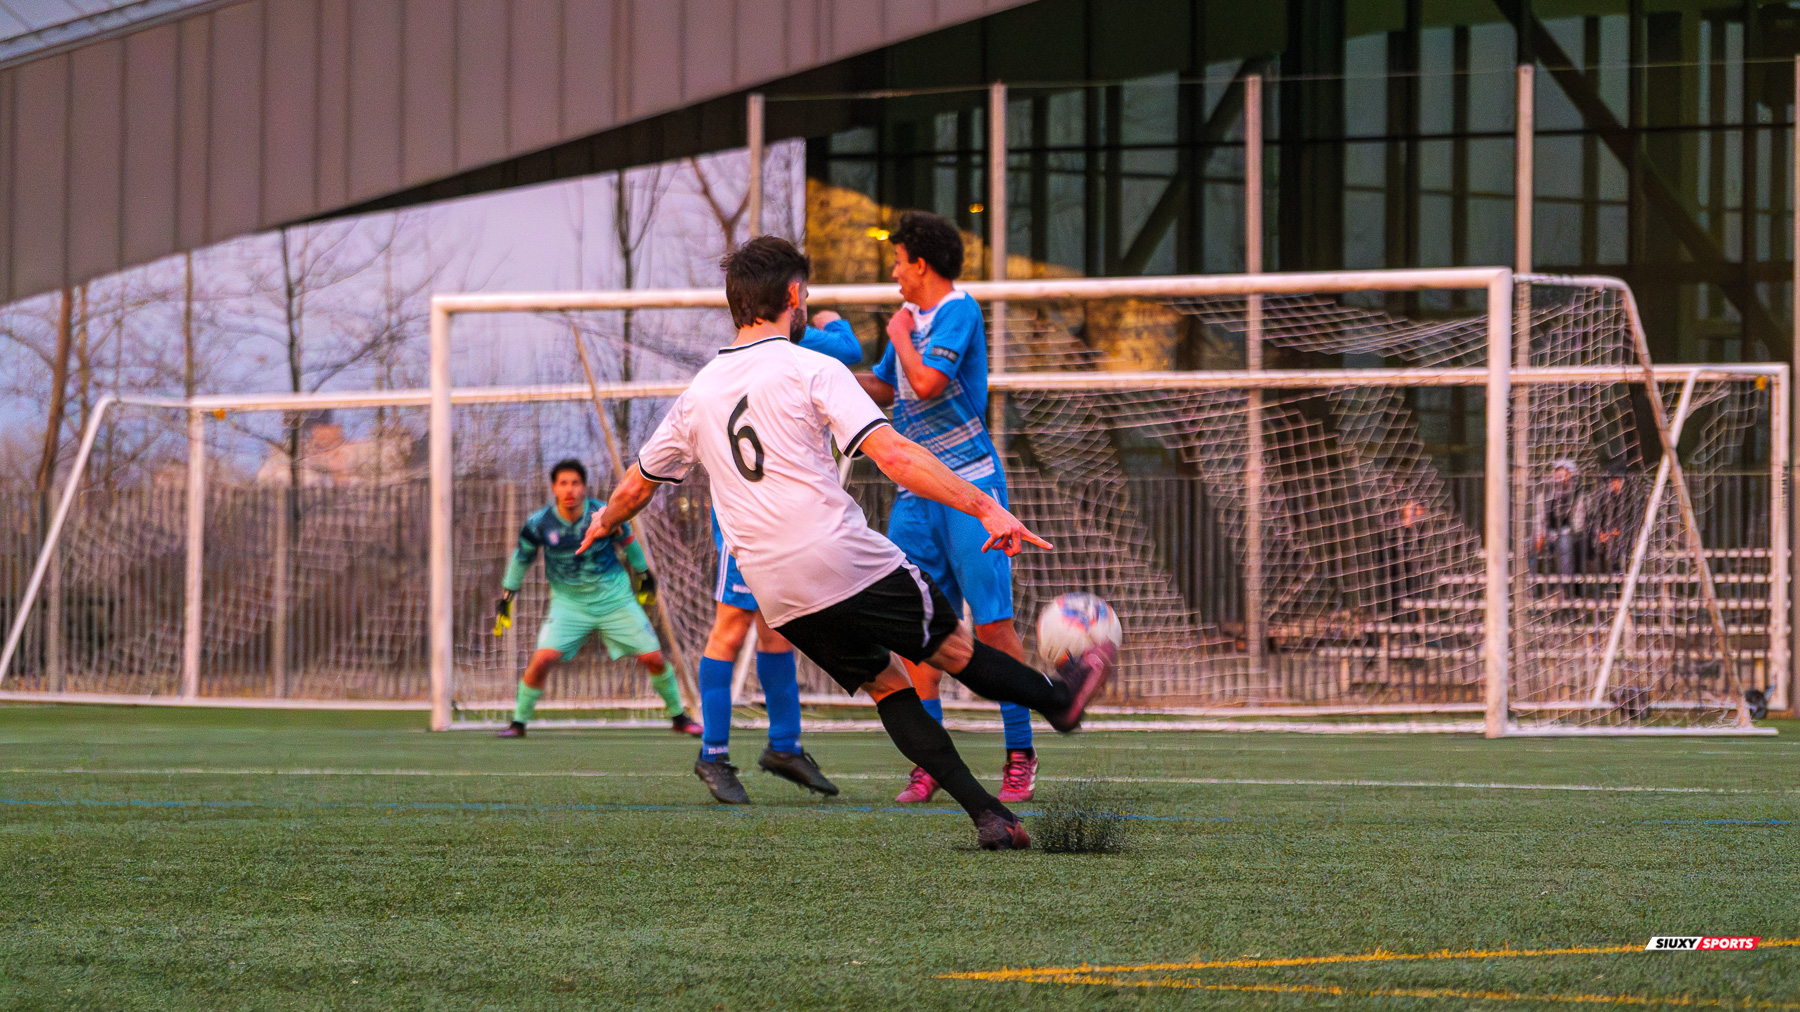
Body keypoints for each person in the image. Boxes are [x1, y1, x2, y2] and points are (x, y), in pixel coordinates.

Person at [579, 236, 1113, 849]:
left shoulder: (698, 393)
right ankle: (1060, 701)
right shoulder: (813, 367)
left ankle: (990, 816)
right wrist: (986, 506)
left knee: (889, 684)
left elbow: (636, 486)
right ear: (793, 296)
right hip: (841, 558)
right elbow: (893, 455)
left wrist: (602, 523)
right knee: (954, 650)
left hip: (776, 592)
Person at [855, 210, 1040, 804]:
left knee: (991, 626)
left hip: (970, 491)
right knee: (916, 631)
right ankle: (930, 761)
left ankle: (1019, 753)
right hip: (915, 497)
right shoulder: (909, 321)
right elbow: (889, 387)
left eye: (899, 261)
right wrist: (821, 373)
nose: (894, 272)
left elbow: (929, 382)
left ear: (922, 264)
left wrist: (900, 335)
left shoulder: (956, 310)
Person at [693, 310, 860, 803]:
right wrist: (831, 320)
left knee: (776, 626)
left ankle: (784, 745)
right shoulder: (787, 352)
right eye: (801, 295)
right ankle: (713, 755)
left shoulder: (763, 360)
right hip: (748, 519)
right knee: (731, 626)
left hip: (777, 517)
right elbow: (849, 350)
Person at [493, 458, 700, 738]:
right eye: (563, 483)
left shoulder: (603, 514)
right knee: (541, 659)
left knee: (653, 657)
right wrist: (507, 595)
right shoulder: (539, 523)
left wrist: (644, 574)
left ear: (584, 487)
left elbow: (628, 541)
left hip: (614, 599)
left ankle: (678, 716)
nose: (570, 490)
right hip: (569, 604)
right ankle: (518, 723)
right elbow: (521, 558)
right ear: (554, 488)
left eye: (575, 483)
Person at [1533, 459, 1586, 589]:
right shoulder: (1545, 494)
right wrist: (1540, 535)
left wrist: (1566, 533)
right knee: (1530, 545)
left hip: (1567, 531)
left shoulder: (1577, 495)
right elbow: (1539, 517)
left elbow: (1578, 522)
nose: (1559, 478)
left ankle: (1564, 587)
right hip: (1549, 532)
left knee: (1565, 544)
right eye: (1557, 475)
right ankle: (1532, 588)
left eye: (1563, 475)